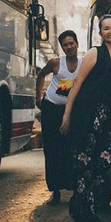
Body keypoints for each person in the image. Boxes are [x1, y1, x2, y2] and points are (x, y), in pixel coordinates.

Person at [60, 14, 111, 222]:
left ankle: (78, 204)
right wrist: (67, 114)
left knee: (104, 166)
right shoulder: (95, 52)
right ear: (100, 33)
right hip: (88, 115)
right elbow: (77, 82)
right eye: (106, 28)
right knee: (85, 166)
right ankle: (88, 217)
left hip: (108, 119)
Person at [35, 30, 80, 206]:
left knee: (71, 148)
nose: (69, 47)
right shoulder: (55, 63)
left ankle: (74, 186)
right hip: (51, 108)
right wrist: (38, 97)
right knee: (52, 150)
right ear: (62, 47)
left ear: (77, 44)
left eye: (71, 43)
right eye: (65, 45)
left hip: (70, 111)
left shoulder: (84, 64)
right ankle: (55, 191)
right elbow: (41, 76)